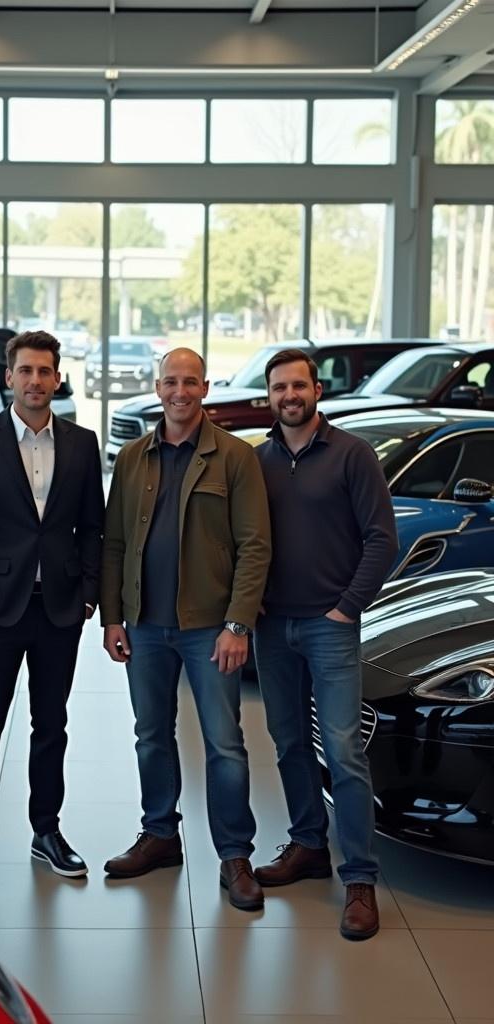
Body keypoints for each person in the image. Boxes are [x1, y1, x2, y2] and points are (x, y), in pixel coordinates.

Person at [100, 347, 272, 910]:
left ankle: (235, 855)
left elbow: (255, 546)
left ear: (205, 387)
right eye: (171, 381)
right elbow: (116, 544)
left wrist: (238, 623)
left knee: (225, 743)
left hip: (210, 629)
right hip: (146, 624)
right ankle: (159, 836)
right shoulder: (131, 458)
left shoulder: (234, 458)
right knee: (151, 734)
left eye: (190, 382)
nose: (180, 391)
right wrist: (112, 617)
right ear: (158, 387)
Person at [0, 330, 104, 893]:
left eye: (45, 371)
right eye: (25, 371)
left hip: (59, 609)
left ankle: (47, 830)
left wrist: (89, 592)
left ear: (58, 378)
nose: (35, 381)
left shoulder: (84, 444)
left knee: (51, 727)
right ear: (8, 377)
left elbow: (94, 527)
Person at [253, 347, 399, 940]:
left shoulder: (352, 455)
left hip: (329, 625)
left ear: (317, 391)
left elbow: (381, 540)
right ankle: (308, 844)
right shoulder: (255, 461)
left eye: (298, 386)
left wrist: (346, 607)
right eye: (279, 388)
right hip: (271, 626)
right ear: (269, 396)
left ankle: (360, 878)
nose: (289, 396)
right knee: (288, 743)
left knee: (342, 751)